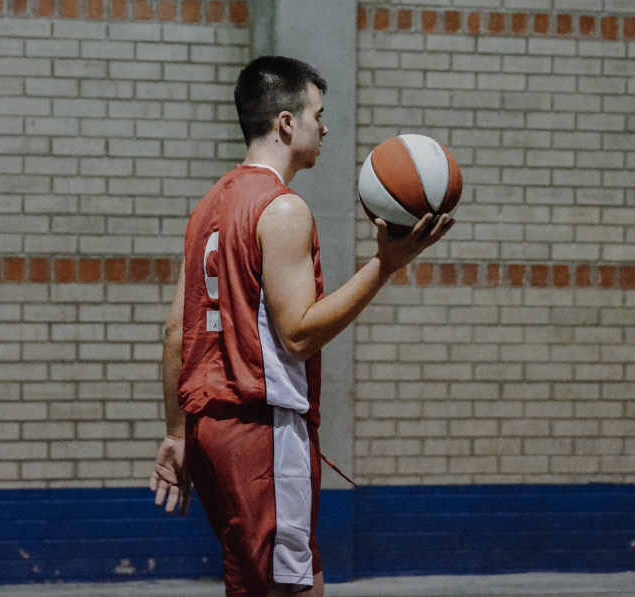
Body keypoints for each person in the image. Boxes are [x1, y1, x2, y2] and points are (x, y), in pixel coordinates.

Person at [149, 55, 453, 597]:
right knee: (291, 589)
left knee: (269, 582)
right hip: (261, 432)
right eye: (319, 114)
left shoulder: (209, 206)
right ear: (286, 122)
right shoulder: (283, 209)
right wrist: (385, 265)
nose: (325, 128)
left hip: (209, 430)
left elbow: (177, 332)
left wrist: (176, 434)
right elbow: (298, 335)